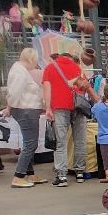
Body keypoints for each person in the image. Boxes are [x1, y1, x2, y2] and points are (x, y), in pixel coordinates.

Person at [43, 49, 87, 185]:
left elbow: (47, 88)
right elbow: (85, 86)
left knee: (60, 142)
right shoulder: (77, 67)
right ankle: (80, 173)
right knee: (79, 140)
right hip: (78, 106)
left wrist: (48, 108)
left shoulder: (50, 68)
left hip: (60, 106)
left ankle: (62, 176)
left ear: (58, 58)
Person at [6, 47, 45, 188]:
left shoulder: (19, 70)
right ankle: (18, 176)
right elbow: (14, 92)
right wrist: (11, 106)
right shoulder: (20, 72)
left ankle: (29, 173)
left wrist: (10, 107)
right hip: (26, 110)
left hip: (25, 110)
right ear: (31, 59)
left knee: (28, 143)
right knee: (31, 144)